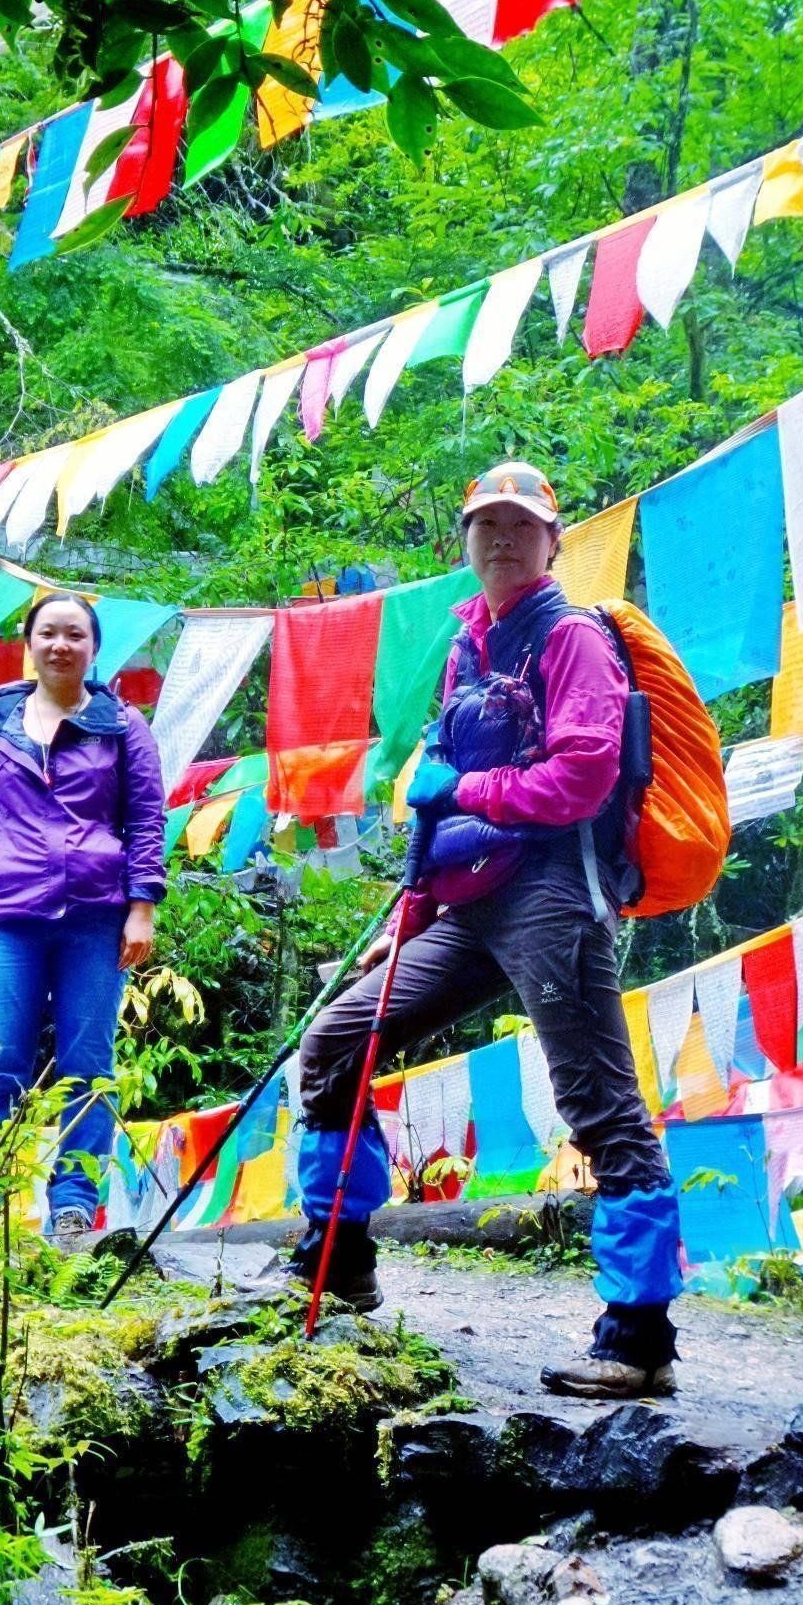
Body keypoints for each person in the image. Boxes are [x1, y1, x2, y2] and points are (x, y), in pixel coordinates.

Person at [288, 462, 682, 1399]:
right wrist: (410, 913)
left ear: (552, 540)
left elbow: (582, 775)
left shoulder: (572, 638)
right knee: (336, 1039)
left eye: (521, 525)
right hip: (466, 900)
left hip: (554, 892)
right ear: (464, 542)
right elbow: (434, 821)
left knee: (599, 1103)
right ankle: (337, 1263)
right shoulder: (472, 651)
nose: (501, 539)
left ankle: (639, 1338)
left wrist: (462, 788)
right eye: (485, 525)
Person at [0, 592, 166, 1238]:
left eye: (75, 634)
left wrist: (142, 906)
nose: (61, 644)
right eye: (48, 632)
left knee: (87, 1067)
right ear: (30, 643)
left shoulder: (122, 725)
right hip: (6, 913)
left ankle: (71, 1206)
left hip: (95, 917)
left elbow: (147, 818)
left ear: (94, 648)